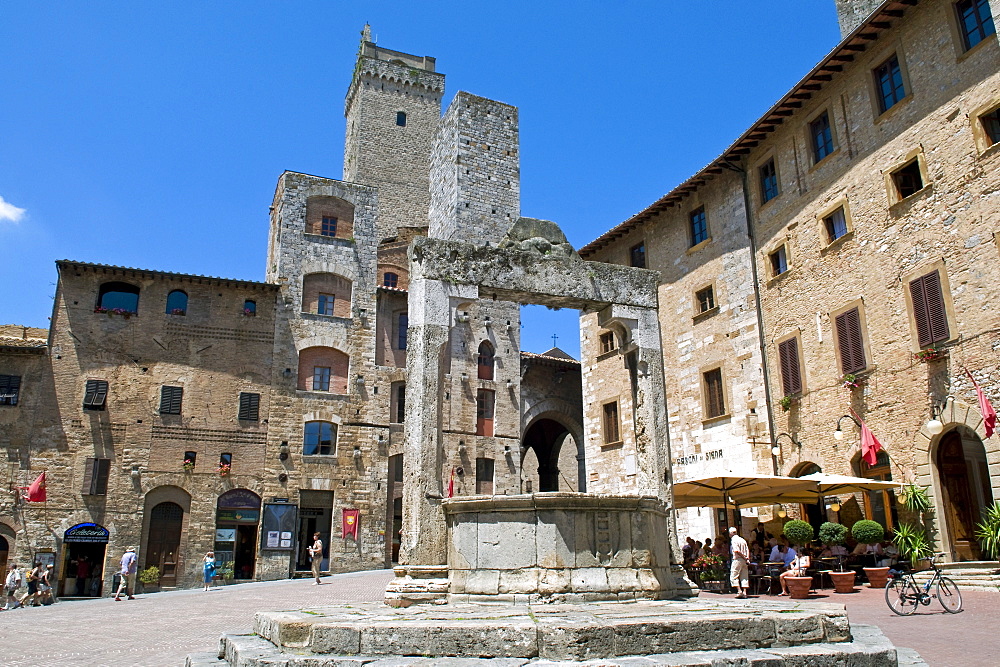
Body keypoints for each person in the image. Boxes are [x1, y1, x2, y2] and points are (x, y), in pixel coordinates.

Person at [728, 527, 750, 599]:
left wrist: (743, 557)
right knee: (744, 575)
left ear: (731, 533)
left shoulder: (734, 540)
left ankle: (739, 591)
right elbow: (747, 549)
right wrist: (747, 558)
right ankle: (745, 592)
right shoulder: (742, 539)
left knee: (734, 574)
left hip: (738, 559)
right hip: (744, 559)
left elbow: (736, 550)